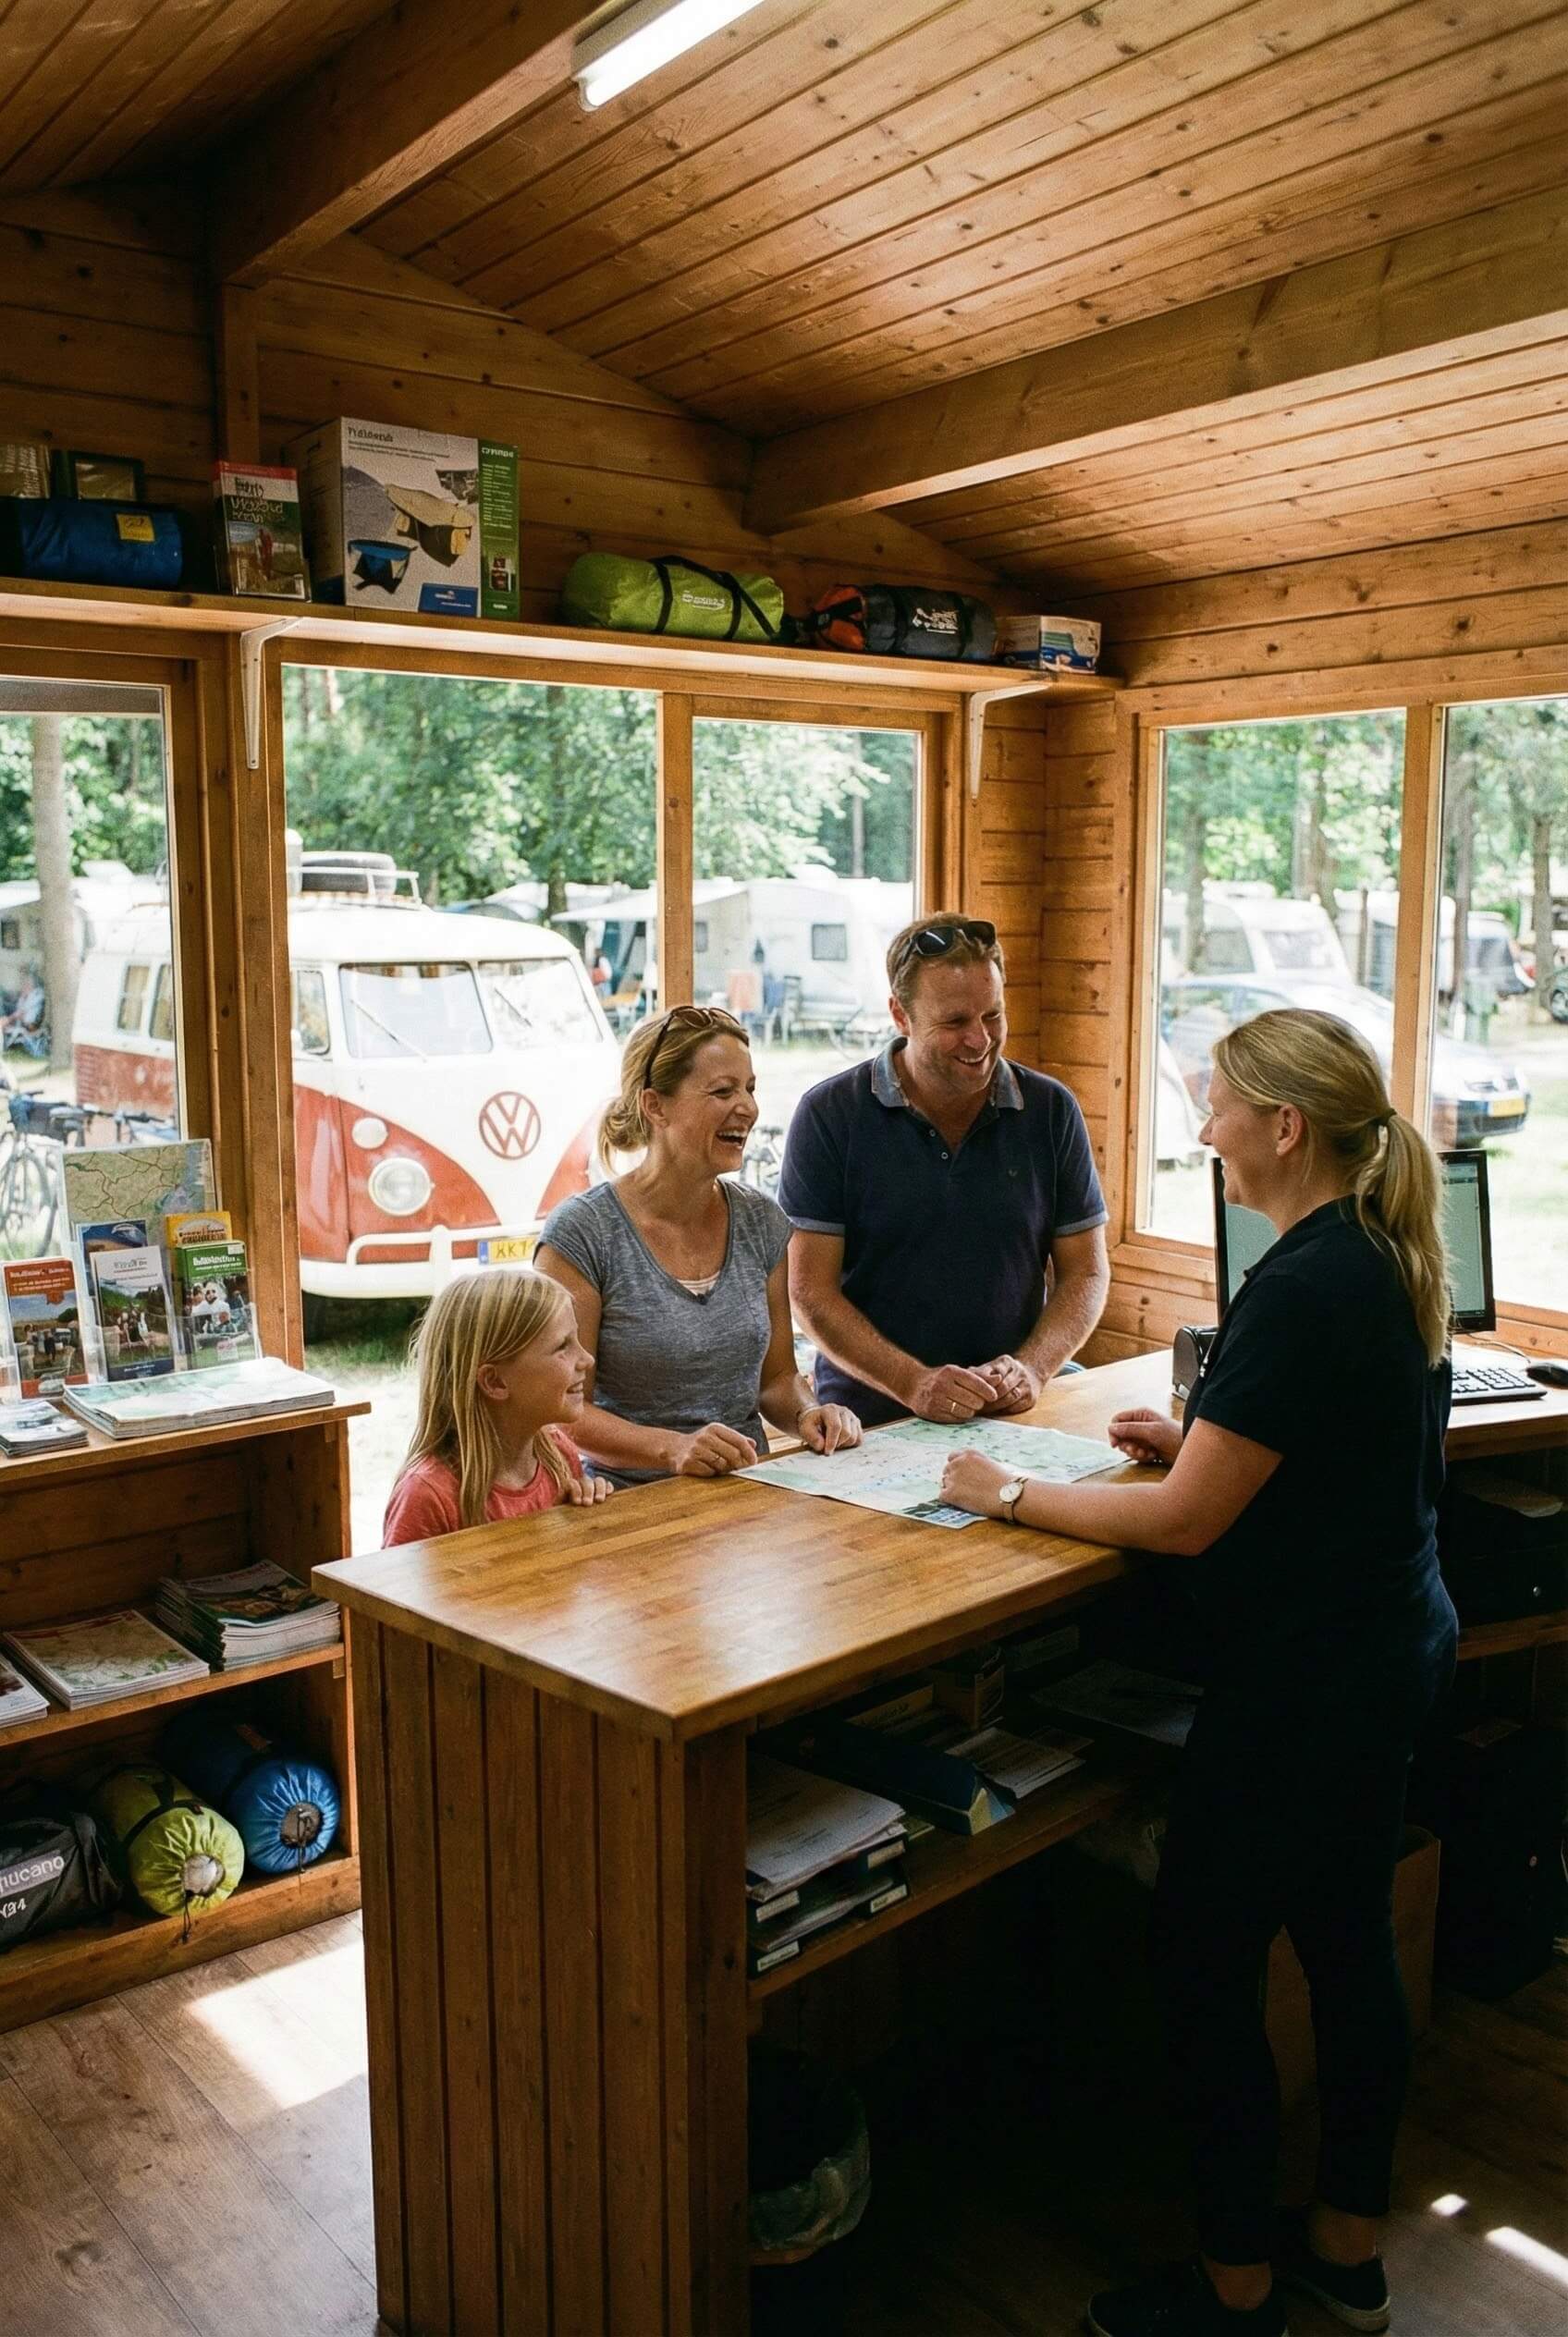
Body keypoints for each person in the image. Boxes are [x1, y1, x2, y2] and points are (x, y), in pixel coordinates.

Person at [938, 1008, 1458, 2337]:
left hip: (1306, 1686)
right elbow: (1318, 1456)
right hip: (1387, 1650)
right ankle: (1343, 2253)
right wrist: (1202, 1435)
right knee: (1349, 1951)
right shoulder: (1376, 1253)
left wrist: (1006, 1495)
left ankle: (1234, 2292)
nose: (1206, 1130)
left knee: (1204, 1964)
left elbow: (1183, 1527)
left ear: (1286, 1128)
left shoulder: (1301, 1280)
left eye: (1221, 1107)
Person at [779, 911, 1109, 1428]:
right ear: (900, 1016)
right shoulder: (829, 1115)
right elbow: (809, 1293)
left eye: (992, 1015)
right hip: (869, 1422)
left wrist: (1035, 1369)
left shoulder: (1050, 1109)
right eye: (955, 1022)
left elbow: (1086, 1273)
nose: (980, 1040)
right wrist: (914, 1383)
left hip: (1011, 1415)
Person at [536, 1005, 861, 1485]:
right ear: (655, 1106)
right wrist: (672, 1449)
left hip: (748, 1494)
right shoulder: (583, 1233)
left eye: (750, 1089)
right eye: (722, 1091)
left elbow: (776, 1381)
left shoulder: (761, 1221)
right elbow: (562, 1409)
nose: (747, 1108)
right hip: (627, 1506)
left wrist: (809, 1414)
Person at [382, 1266, 611, 1543]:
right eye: (563, 1346)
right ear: (495, 1382)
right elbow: (395, 1586)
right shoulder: (428, 1495)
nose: (587, 1359)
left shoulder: (559, 1456)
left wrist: (585, 1511)